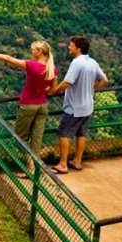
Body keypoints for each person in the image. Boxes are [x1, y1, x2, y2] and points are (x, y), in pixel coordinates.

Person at [0, 42, 57, 161]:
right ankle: (36, 167)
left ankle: (30, 165)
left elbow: (8, 59)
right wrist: (42, 89)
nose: (32, 52)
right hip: (42, 106)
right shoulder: (52, 69)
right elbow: (52, 90)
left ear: (39, 52)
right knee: (37, 138)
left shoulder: (32, 66)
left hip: (28, 105)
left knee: (19, 138)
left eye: (33, 50)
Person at [47, 36, 108, 174]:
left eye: (71, 45)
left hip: (74, 107)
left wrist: (54, 91)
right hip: (88, 106)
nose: (69, 47)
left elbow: (67, 82)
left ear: (78, 48)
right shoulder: (92, 62)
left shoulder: (76, 63)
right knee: (81, 134)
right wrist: (91, 89)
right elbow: (104, 80)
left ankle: (63, 164)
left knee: (63, 134)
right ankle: (77, 161)